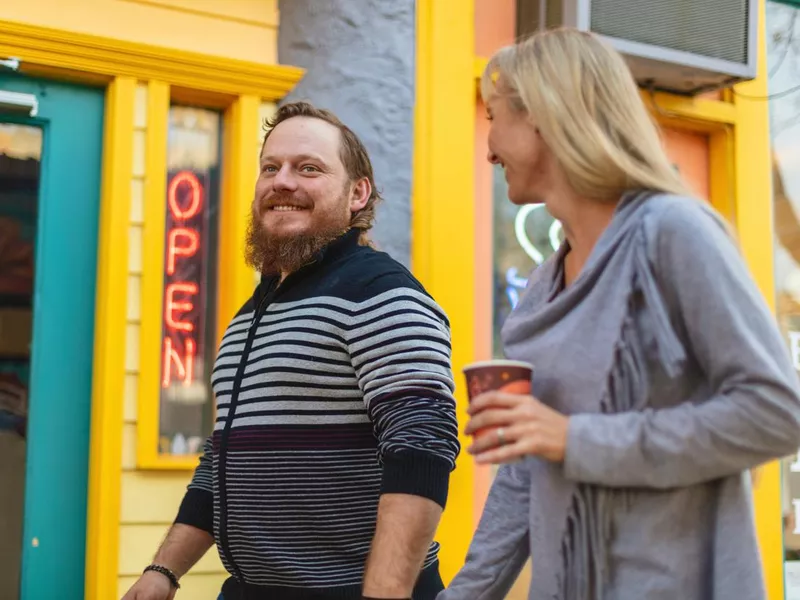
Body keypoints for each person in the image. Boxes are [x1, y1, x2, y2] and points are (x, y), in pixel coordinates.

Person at [440, 28, 800, 600]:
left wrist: (575, 439)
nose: (488, 148)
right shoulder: (541, 287)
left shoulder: (671, 233)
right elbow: (523, 476)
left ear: (543, 116)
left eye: (492, 117)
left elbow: (777, 411)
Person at [122, 101, 460, 600]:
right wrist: (163, 571)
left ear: (357, 194)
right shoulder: (248, 318)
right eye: (270, 167)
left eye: (309, 168)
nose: (282, 182)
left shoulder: (381, 292)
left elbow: (422, 447)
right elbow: (223, 463)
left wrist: (385, 591)